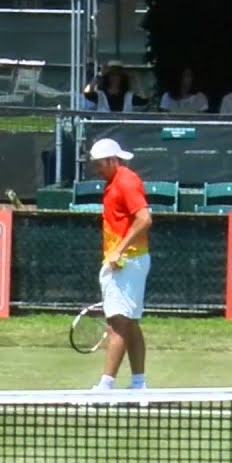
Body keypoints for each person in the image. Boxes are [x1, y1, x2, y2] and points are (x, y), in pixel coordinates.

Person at [88, 138, 152, 392]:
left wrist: (119, 250)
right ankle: (139, 385)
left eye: (99, 164)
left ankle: (105, 387)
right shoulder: (115, 181)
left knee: (117, 324)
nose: (96, 169)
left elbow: (145, 218)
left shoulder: (126, 181)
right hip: (128, 261)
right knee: (130, 323)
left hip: (128, 262)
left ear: (113, 160)